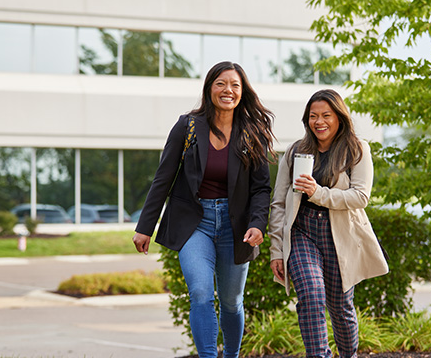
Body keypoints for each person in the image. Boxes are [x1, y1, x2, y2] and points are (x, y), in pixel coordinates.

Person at [133, 61, 276, 358]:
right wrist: (145, 227)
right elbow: (164, 178)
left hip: (236, 227)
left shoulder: (252, 132)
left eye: (235, 85)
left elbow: (261, 188)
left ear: (242, 91)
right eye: (221, 83)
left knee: (231, 301)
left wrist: (257, 224)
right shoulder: (187, 126)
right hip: (193, 224)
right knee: (199, 293)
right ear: (210, 87)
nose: (228, 90)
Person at [268, 89, 388, 358]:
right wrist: (276, 250)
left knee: (341, 308)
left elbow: (360, 196)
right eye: (313, 116)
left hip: (339, 235)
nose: (318, 121)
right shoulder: (296, 151)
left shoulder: (356, 150)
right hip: (301, 232)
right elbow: (278, 203)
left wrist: (317, 192)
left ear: (339, 117)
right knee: (310, 294)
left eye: (325, 115)